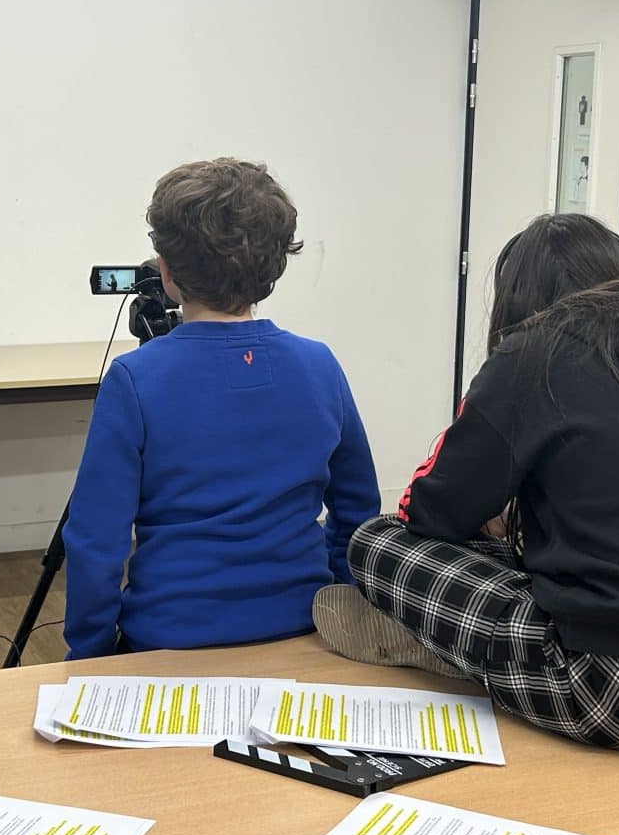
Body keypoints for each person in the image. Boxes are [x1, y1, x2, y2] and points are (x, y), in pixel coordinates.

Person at [315, 214, 619, 752]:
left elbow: (433, 514)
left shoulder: (534, 352)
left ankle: (439, 644)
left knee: (377, 541)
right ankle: (462, 643)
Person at [63, 158, 381, 657]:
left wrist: (89, 655)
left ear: (166, 272)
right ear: (274, 266)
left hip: (169, 639)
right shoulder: (320, 366)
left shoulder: (135, 380)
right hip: (305, 632)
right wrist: (337, 596)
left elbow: (94, 543)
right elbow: (359, 511)